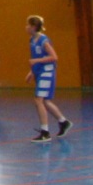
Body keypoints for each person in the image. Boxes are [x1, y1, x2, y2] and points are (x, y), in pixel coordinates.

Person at [25, 15, 73, 143]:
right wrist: (32, 72)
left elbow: (54, 57)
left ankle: (45, 132)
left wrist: (37, 61)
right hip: (40, 72)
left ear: (34, 27)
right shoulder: (31, 40)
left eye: (28, 25)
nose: (26, 27)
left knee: (38, 100)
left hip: (47, 72)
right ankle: (63, 122)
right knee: (45, 101)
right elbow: (35, 57)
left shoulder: (43, 41)